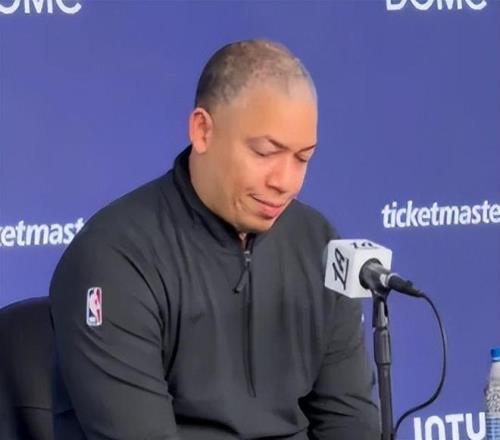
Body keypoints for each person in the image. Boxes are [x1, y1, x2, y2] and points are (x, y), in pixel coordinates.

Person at [50, 39, 380, 440]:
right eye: (265, 152)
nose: (286, 182)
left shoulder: (319, 245)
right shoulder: (115, 258)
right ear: (202, 131)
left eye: (302, 158)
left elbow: (350, 424)